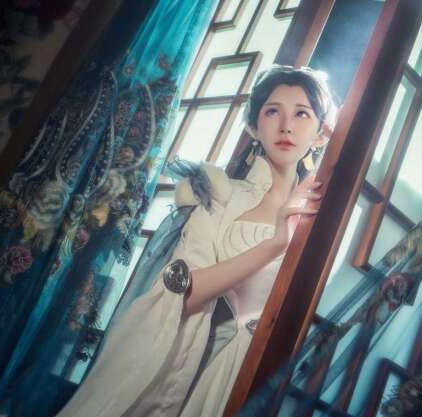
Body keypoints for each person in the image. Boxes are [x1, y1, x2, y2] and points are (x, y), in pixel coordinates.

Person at [55, 65, 336, 417]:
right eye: (272, 111)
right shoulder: (218, 193)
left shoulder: (324, 220)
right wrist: (275, 242)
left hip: (261, 375)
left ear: (321, 133)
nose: (286, 126)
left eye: (302, 114)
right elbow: (183, 294)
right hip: (196, 361)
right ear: (253, 127)